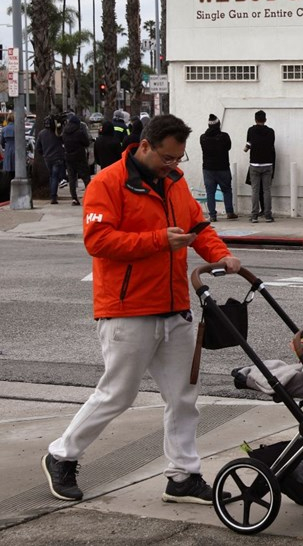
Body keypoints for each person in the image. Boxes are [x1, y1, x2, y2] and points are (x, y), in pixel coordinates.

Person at [42, 113, 241, 505]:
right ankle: (61, 455)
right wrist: (157, 241)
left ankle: (183, 474)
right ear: (145, 145)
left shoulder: (175, 183)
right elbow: (98, 241)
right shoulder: (107, 183)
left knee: (184, 395)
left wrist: (223, 256)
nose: (173, 166)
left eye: (179, 159)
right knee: (117, 393)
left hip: (174, 307)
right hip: (126, 308)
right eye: (168, 158)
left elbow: (198, 227)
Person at [200, 114, 237, 222]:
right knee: (226, 190)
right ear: (218, 125)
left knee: (210, 192)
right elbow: (228, 147)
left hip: (208, 169)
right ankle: (229, 212)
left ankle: (212, 215)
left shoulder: (203, 138)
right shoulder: (224, 136)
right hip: (223, 168)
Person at [244, 109, 275, 223]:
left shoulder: (251, 130)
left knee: (255, 190)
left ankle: (254, 216)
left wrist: (246, 148)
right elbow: (271, 144)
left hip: (255, 164)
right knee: (267, 190)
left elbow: (249, 144)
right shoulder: (271, 131)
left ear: (255, 119)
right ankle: (268, 215)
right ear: (265, 119)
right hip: (267, 163)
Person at [61, 114, 93, 206]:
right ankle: (90, 196)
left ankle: (74, 198)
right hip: (79, 156)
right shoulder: (79, 132)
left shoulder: (65, 132)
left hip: (69, 157)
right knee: (86, 177)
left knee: (72, 178)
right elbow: (86, 142)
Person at [36, 116, 67, 205]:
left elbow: (38, 148)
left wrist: (44, 154)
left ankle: (53, 195)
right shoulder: (57, 133)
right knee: (55, 176)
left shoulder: (41, 134)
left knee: (52, 176)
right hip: (57, 157)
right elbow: (63, 140)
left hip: (47, 158)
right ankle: (54, 195)